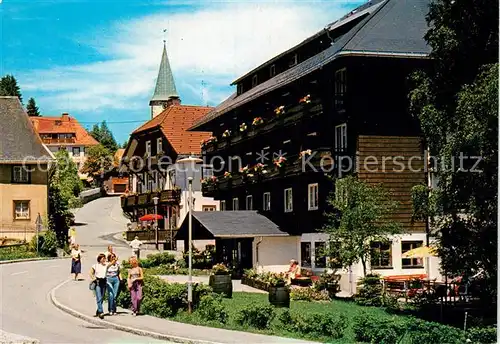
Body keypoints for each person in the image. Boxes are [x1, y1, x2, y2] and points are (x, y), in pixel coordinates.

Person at [90, 253, 108, 319]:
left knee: (102, 297)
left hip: (104, 281)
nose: (104, 259)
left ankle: (98, 310)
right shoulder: (95, 266)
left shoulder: (106, 265)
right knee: (98, 297)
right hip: (98, 282)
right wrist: (93, 278)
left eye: (105, 258)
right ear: (99, 259)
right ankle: (101, 312)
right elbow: (91, 273)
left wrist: (114, 259)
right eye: (103, 258)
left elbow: (112, 263)